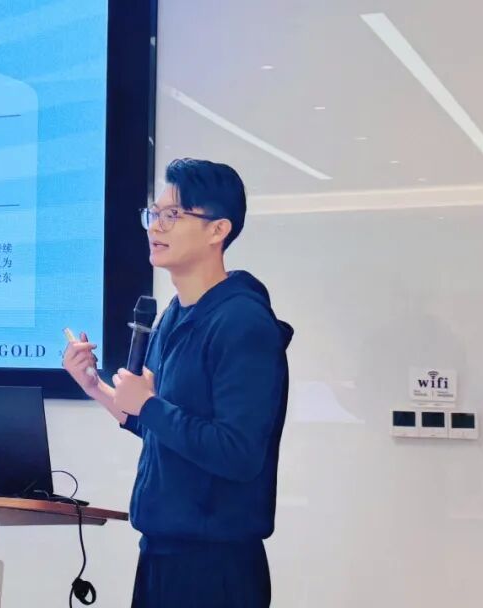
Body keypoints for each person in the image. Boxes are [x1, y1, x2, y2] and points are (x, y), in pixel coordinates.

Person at [63, 158, 293, 607]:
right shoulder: (173, 315)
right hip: (160, 554)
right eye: (154, 214)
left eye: (173, 215)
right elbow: (160, 427)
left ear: (217, 230)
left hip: (216, 568)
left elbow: (239, 452)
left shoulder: (243, 323)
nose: (156, 226)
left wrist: (149, 406)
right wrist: (96, 388)